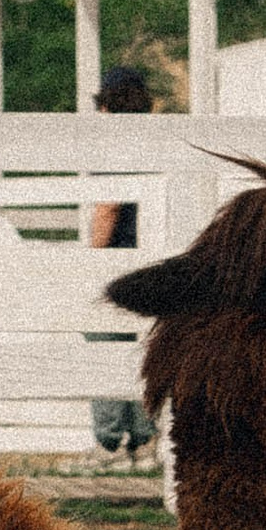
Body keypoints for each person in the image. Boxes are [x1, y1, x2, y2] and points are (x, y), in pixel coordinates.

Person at [86, 68, 161, 458]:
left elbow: (108, 206)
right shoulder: (151, 142)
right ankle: (145, 435)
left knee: (102, 340)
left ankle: (110, 439)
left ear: (105, 104)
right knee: (142, 343)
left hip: (116, 255)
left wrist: (91, 256)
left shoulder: (111, 143)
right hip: (150, 251)